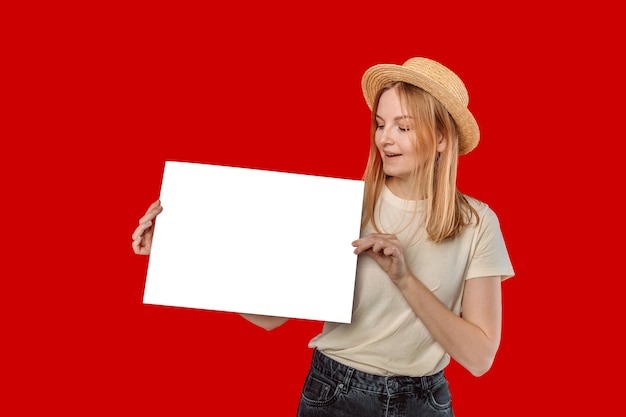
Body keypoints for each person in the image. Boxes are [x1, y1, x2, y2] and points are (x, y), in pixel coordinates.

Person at [132, 57, 514, 417]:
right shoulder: (346, 208)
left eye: (404, 126)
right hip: (335, 393)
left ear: (443, 138)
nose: (385, 138)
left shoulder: (477, 223)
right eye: (380, 124)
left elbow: (479, 358)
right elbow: (271, 318)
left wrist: (405, 280)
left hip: (424, 401)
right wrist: (175, 252)